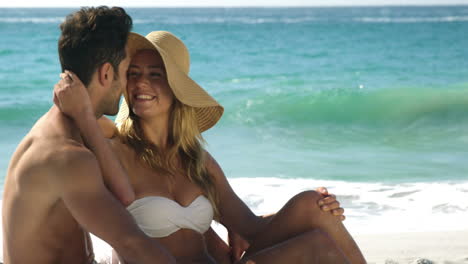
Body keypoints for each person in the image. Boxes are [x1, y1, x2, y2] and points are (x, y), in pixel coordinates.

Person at [55, 31, 366, 263]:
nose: (140, 84)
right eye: (132, 75)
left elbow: (251, 228)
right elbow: (74, 110)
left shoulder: (198, 162)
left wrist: (316, 207)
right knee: (318, 247)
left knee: (312, 205)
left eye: (155, 75)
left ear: (177, 90)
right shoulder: (113, 145)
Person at [2, 7, 177, 264]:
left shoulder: (72, 128)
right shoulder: (66, 155)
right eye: (128, 72)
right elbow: (133, 244)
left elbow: (125, 196)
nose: (130, 85)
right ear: (107, 73)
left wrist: (86, 117)